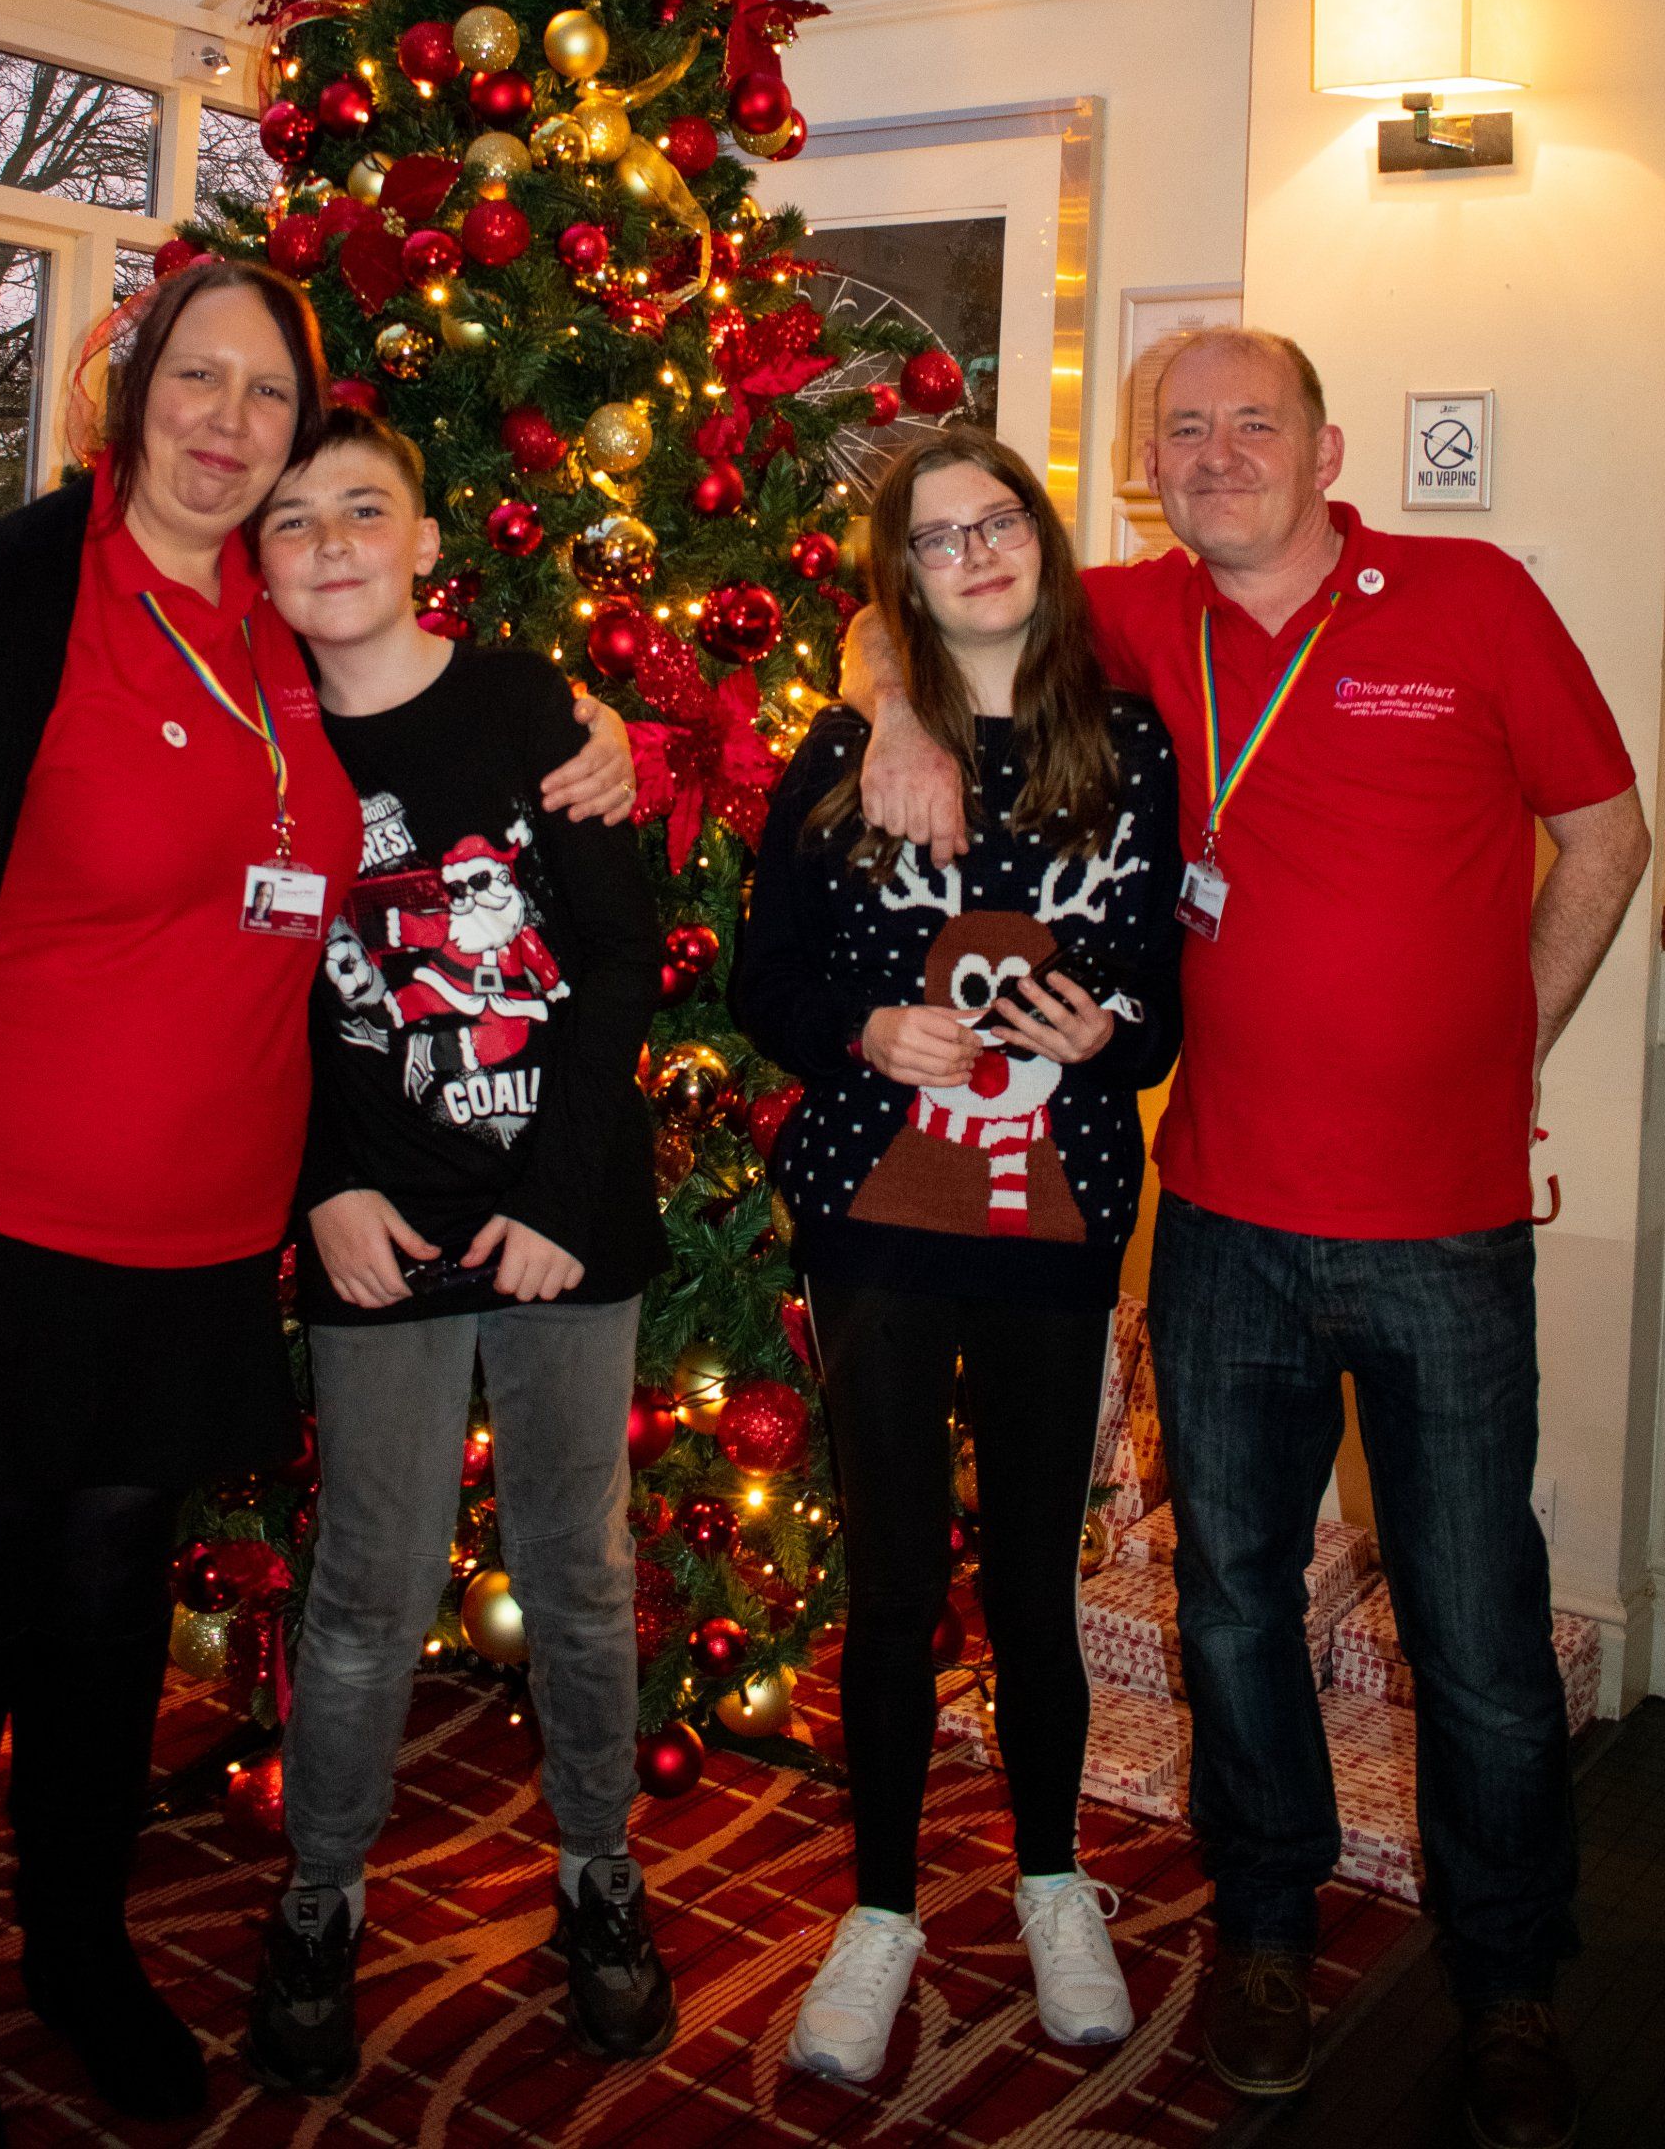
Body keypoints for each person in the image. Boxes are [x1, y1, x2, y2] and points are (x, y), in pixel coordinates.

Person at [0, 262, 633, 2149]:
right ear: (133, 391)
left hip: (199, 1243)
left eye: (269, 395)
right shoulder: (16, 600)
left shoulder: (275, 622)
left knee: (105, 1621)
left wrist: (594, 736)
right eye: (200, 380)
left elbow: (440, 755)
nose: (232, 424)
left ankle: (79, 1951)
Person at [842, 333, 1650, 2149]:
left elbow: (1609, 838)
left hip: (1443, 1227)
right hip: (1220, 1220)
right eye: (1183, 430)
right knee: (1231, 1609)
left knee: (1478, 1629)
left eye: (1251, 423)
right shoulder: (1137, 617)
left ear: (1326, 449)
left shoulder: (1471, 599)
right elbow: (916, 602)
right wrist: (892, 710)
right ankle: (1267, 1932)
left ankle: (1511, 1982)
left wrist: (1508, 1044)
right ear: (1152, 467)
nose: (1215, 454)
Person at [733, 429, 1183, 2086]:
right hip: (878, 1222)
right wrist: (863, 1029)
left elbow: (1162, 1007)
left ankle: (1053, 1882)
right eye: (939, 538)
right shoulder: (844, 751)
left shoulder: (1130, 747)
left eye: (1000, 522)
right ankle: (882, 1910)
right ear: (902, 580)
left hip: (1054, 1223)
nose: (978, 552)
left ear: (1042, 544)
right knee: (897, 1583)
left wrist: (1109, 1032)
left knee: (1036, 1582)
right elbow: (765, 983)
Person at [243, 409, 673, 2093]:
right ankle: (321, 1893)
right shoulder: (262, 747)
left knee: (582, 1570)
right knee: (367, 1582)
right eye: (293, 522)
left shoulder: (527, 707)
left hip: (567, 1223)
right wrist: (318, 1191)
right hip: (379, 1231)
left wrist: (561, 1197)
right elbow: (244, 1002)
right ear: (260, 564)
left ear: (427, 542)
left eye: (365, 511)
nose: (332, 544)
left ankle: (600, 1871)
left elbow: (619, 954)